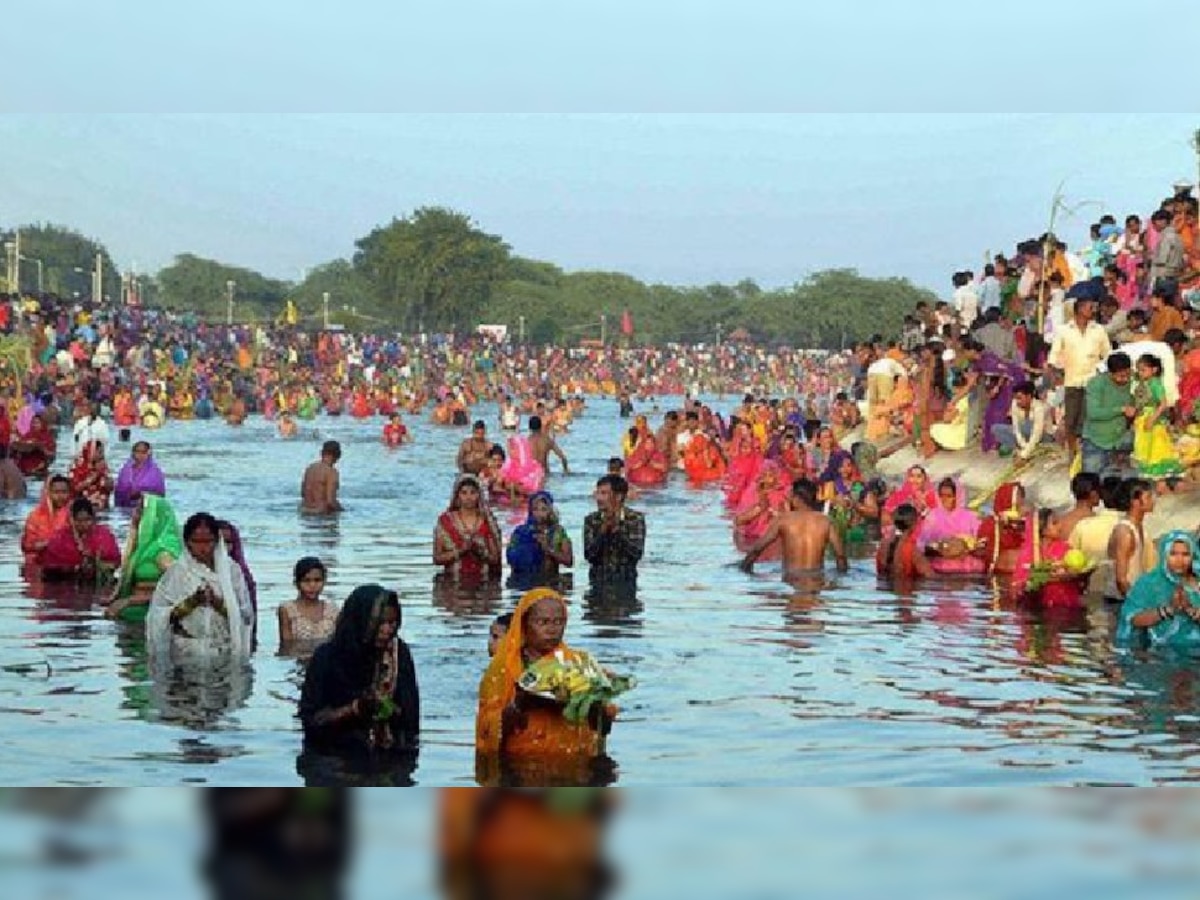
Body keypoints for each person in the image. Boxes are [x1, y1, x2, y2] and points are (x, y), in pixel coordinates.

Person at [475, 588, 616, 784]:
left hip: (575, 767)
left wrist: (595, 699)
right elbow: (487, 728)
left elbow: (603, 726)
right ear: (524, 625)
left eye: (559, 622)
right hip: (521, 768)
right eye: (542, 622)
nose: (552, 630)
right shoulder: (503, 669)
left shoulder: (579, 663)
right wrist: (520, 704)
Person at [299, 584, 420, 753]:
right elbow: (311, 721)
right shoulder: (327, 658)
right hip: (332, 755)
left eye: (392, 623)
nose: (387, 630)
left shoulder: (398, 654)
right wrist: (356, 709)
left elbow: (410, 721)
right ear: (360, 621)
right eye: (379, 623)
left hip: (387, 754)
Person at [146, 512, 255, 664]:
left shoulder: (231, 571)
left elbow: (246, 616)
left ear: (217, 541)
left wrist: (218, 603)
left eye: (208, 541)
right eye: (196, 541)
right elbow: (159, 616)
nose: (202, 548)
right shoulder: (177, 572)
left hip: (224, 651)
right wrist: (192, 602)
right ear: (186, 542)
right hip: (185, 651)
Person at [739, 477, 848, 583]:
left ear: (796, 498)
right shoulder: (826, 522)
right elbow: (840, 556)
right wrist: (841, 578)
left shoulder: (783, 520)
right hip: (817, 580)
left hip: (791, 580)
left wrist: (743, 570)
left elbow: (757, 549)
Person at [105, 494, 183, 623]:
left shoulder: (163, 552)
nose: (135, 514)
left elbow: (180, 588)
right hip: (136, 607)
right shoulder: (145, 548)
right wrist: (134, 529)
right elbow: (126, 564)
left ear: (153, 516)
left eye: (141, 510)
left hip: (153, 610)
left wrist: (130, 601)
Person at [1117, 531, 1200, 649]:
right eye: (1173, 554)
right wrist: (1168, 610)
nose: (1179, 560)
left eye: (1185, 554)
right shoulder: (1149, 583)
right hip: (1159, 651)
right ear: (1164, 555)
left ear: (1193, 555)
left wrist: (1191, 611)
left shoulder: (1197, 582)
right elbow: (1132, 618)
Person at [434, 474, 503, 582]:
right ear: (457, 496)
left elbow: (496, 559)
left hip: (483, 584)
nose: (468, 497)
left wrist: (481, 553)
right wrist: (461, 551)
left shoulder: (488, 521)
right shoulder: (445, 521)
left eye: (473, 493)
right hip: (452, 585)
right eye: (464, 493)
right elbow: (437, 558)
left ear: (479, 496)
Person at [36, 497, 122, 583]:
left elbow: (115, 562)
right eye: (79, 520)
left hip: (97, 581)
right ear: (71, 519)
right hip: (65, 582)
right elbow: (48, 566)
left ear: (93, 518)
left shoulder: (104, 535)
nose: (83, 524)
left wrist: (95, 562)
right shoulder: (60, 537)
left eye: (87, 520)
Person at [582, 475, 646, 583]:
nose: (598, 498)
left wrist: (617, 532)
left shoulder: (634, 518)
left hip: (626, 580)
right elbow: (589, 556)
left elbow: (636, 554)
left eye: (603, 493)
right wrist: (603, 532)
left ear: (618, 496)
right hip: (598, 580)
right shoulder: (592, 520)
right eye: (597, 493)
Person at [916, 478, 986, 575]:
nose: (944, 499)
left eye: (949, 496)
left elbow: (980, 540)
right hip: (939, 560)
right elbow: (922, 541)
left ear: (956, 497)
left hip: (966, 561)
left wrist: (964, 548)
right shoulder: (932, 515)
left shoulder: (970, 516)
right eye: (941, 495)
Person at [1081, 352, 1135, 476]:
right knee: (1091, 481)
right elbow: (1093, 413)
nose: (1125, 379)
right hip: (1096, 442)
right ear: (1110, 373)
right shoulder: (1096, 384)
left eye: (1128, 374)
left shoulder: (1132, 382)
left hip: (1118, 442)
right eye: (1121, 376)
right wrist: (1120, 410)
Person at [1105, 478, 1157, 606]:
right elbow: (1121, 580)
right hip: (1120, 600)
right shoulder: (1125, 532)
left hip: (1130, 596)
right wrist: (1138, 605)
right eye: (1148, 496)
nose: (1153, 500)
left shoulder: (1136, 526)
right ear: (1135, 501)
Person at [1131, 352, 1184, 479]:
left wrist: (1153, 418)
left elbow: (1163, 403)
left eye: (1143, 370)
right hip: (1143, 418)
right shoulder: (1143, 383)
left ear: (1154, 370)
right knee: (1144, 446)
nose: (1140, 373)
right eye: (1139, 370)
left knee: (1155, 447)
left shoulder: (1155, 383)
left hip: (1153, 419)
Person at [506, 492, 574, 581]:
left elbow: (569, 561)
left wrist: (548, 549)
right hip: (522, 581)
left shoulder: (558, 532)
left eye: (543, 509)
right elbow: (510, 557)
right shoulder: (520, 532)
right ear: (530, 511)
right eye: (535, 509)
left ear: (550, 511)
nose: (539, 513)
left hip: (550, 581)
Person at [278, 557, 340, 651]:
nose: (312, 586)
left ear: (324, 582)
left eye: (317, 580)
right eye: (306, 580)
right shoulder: (287, 610)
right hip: (298, 658)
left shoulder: (333, 610)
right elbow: (287, 646)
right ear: (296, 583)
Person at [973, 481, 1025, 576]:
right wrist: (1001, 527)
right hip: (996, 572)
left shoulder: (1027, 522)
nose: (1019, 500)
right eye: (1015, 495)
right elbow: (981, 552)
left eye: (1020, 497)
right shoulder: (990, 523)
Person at [991, 382, 1052, 460]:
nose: (1018, 401)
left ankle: (1028, 450)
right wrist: (1023, 445)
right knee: (996, 428)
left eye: (1020, 398)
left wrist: (1025, 453)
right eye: (1016, 398)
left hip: (1042, 436)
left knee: (1027, 425)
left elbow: (1037, 433)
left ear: (1029, 396)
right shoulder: (1015, 403)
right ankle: (1019, 450)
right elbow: (1016, 428)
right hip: (1025, 435)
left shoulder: (1039, 407)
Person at [20, 474, 72, 565]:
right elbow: (27, 545)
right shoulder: (35, 516)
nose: (60, 496)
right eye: (56, 492)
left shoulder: (73, 514)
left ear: (69, 493)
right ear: (48, 493)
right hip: (38, 562)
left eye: (64, 492)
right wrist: (49, 544)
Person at [876, 503, 932, 579]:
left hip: (884, 587)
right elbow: (930, 576)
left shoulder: (883, 544)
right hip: (904, 588)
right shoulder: (912, 550)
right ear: (914, 524)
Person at [113, 440, 167, 508]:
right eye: (137, 451)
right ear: (133, 453)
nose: (140, 455)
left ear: (148, 453)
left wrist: (140, 493)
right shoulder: (126, 470)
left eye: (143, 452)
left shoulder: (154, 472)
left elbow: (158, 492)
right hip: (126, 507)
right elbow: (120, 488)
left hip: (147, 508)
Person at [69, 439, 114, 510]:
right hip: (83, 508)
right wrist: (95, 475)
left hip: (102, 506)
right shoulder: (77, 466)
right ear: (90, 451)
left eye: (102, 452)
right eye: (99, 452)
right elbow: (75, 488)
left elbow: (110, 488)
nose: (102, 455)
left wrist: (107, 478)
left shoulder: (103, 466)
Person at [300, 440, 343, 514]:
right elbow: (330, 501)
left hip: (304, 511)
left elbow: (303, 493)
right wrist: (342, 510)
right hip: (321, 514)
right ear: (338, 455)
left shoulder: (310, 468)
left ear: (321, 453)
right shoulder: (331, 472)